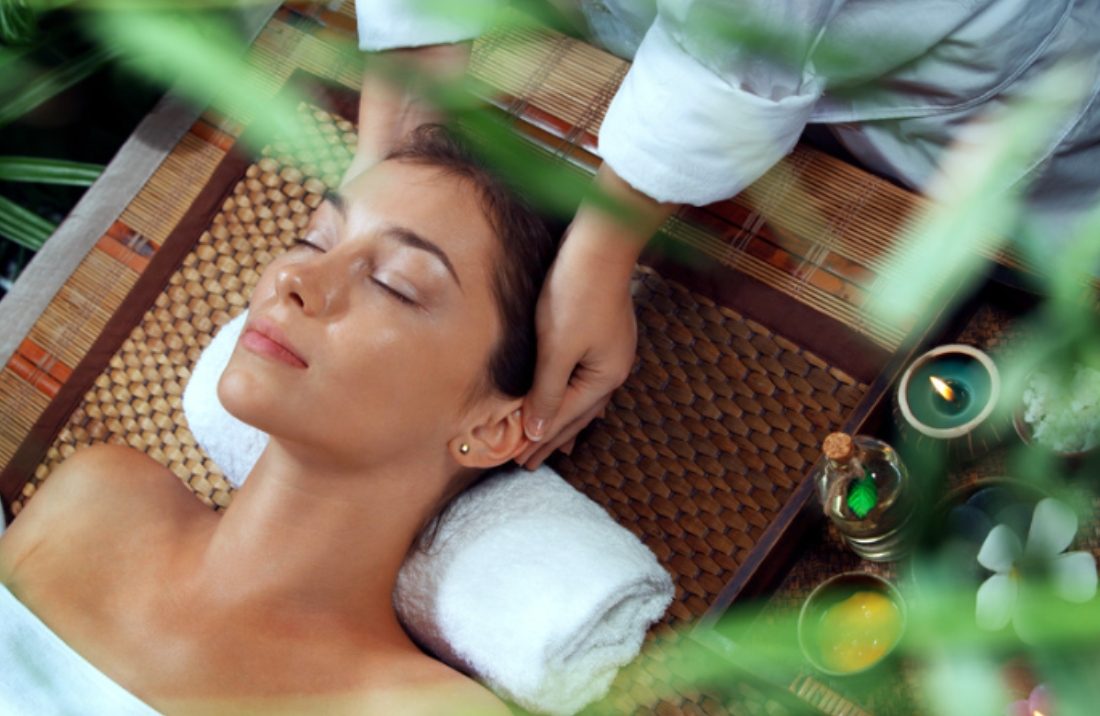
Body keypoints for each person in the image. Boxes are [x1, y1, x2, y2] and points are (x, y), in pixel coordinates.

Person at [349, 0, 1100, 468]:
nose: (285, 285)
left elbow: (739, 34)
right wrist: (402, 106)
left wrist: (602, 254)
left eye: (398, 282)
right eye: (315, 237)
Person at [0, 124, 559, 716]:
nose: (295, 278)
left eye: (394, 284)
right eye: (314, 240)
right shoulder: (100, 500)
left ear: (493, 429)